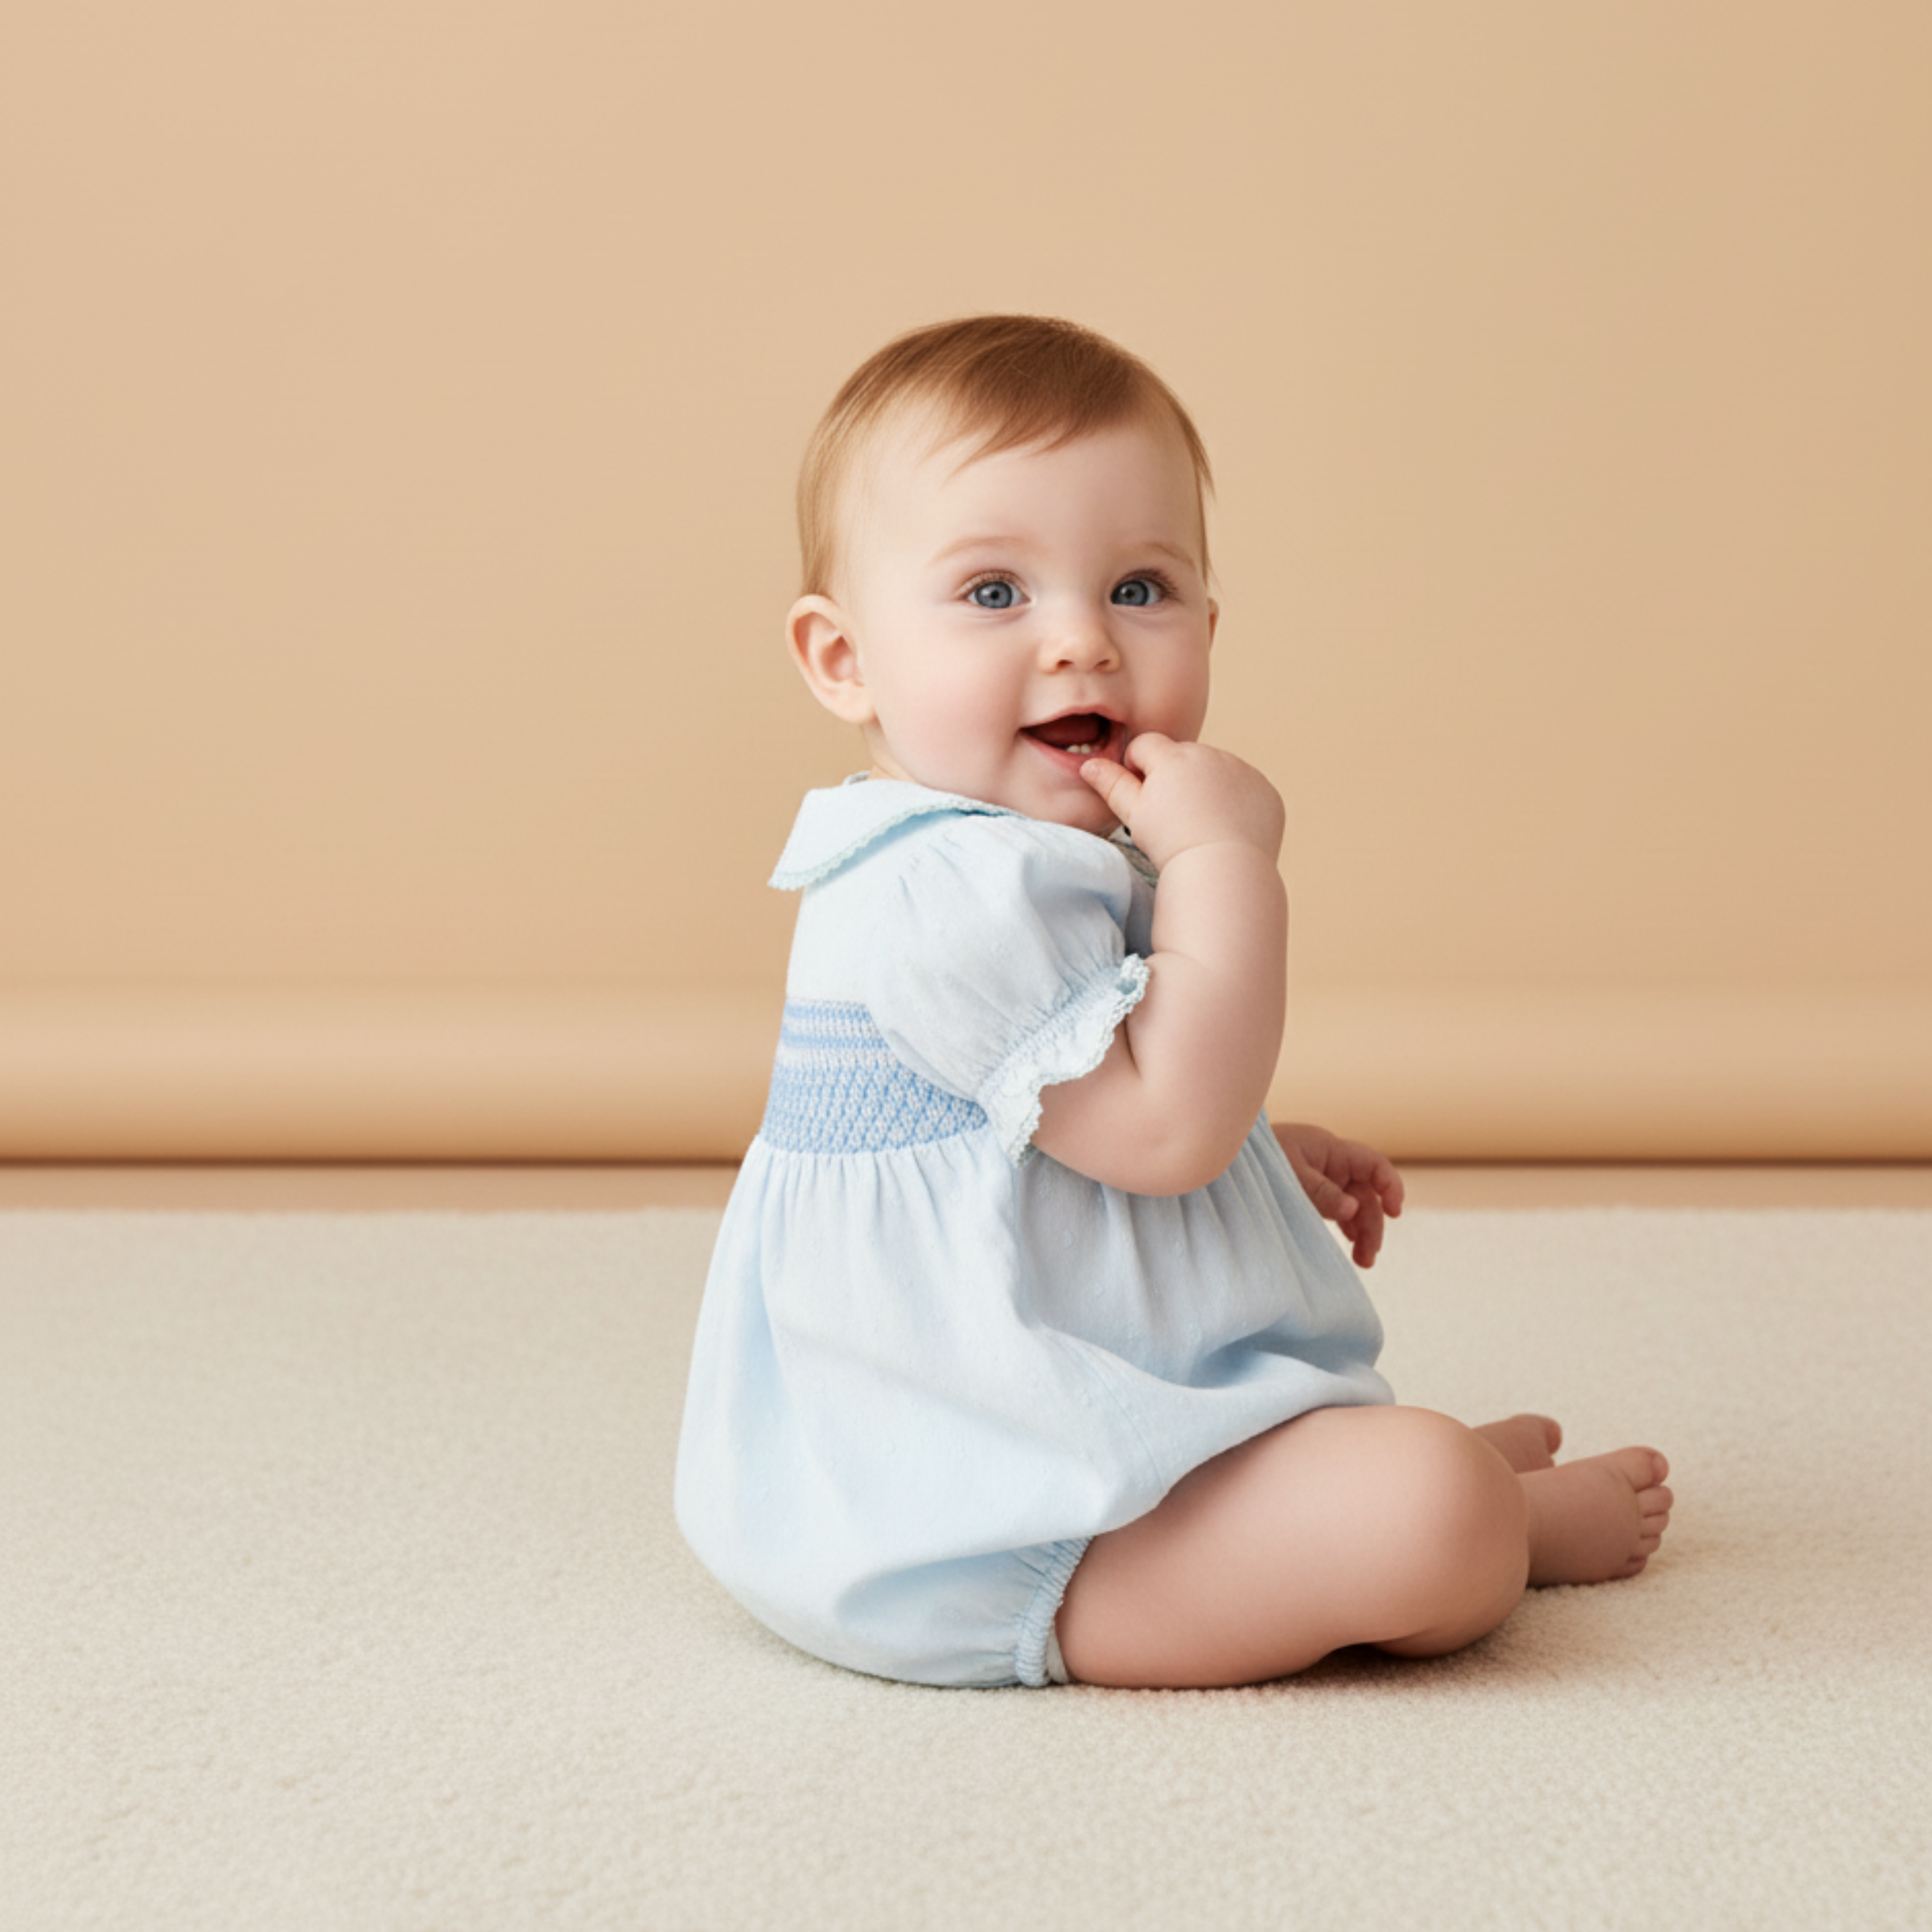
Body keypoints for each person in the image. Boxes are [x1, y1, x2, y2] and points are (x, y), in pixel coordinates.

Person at [674, 314, 1671, 1690]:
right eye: (992, 594)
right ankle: (1496, 1525)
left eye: (1140, 589)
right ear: (843, 659)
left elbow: (1070, 1131)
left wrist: (1266, 1148)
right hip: (983, 1529)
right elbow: (1162, 1135)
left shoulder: (1013, 859)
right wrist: (1225, 864)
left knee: (1381, 1477)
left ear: (1210, 618)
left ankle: (1336, 1482)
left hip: (1070, 1437)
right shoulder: (943, 895)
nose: (1082, 642)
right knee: (1427, 1506)